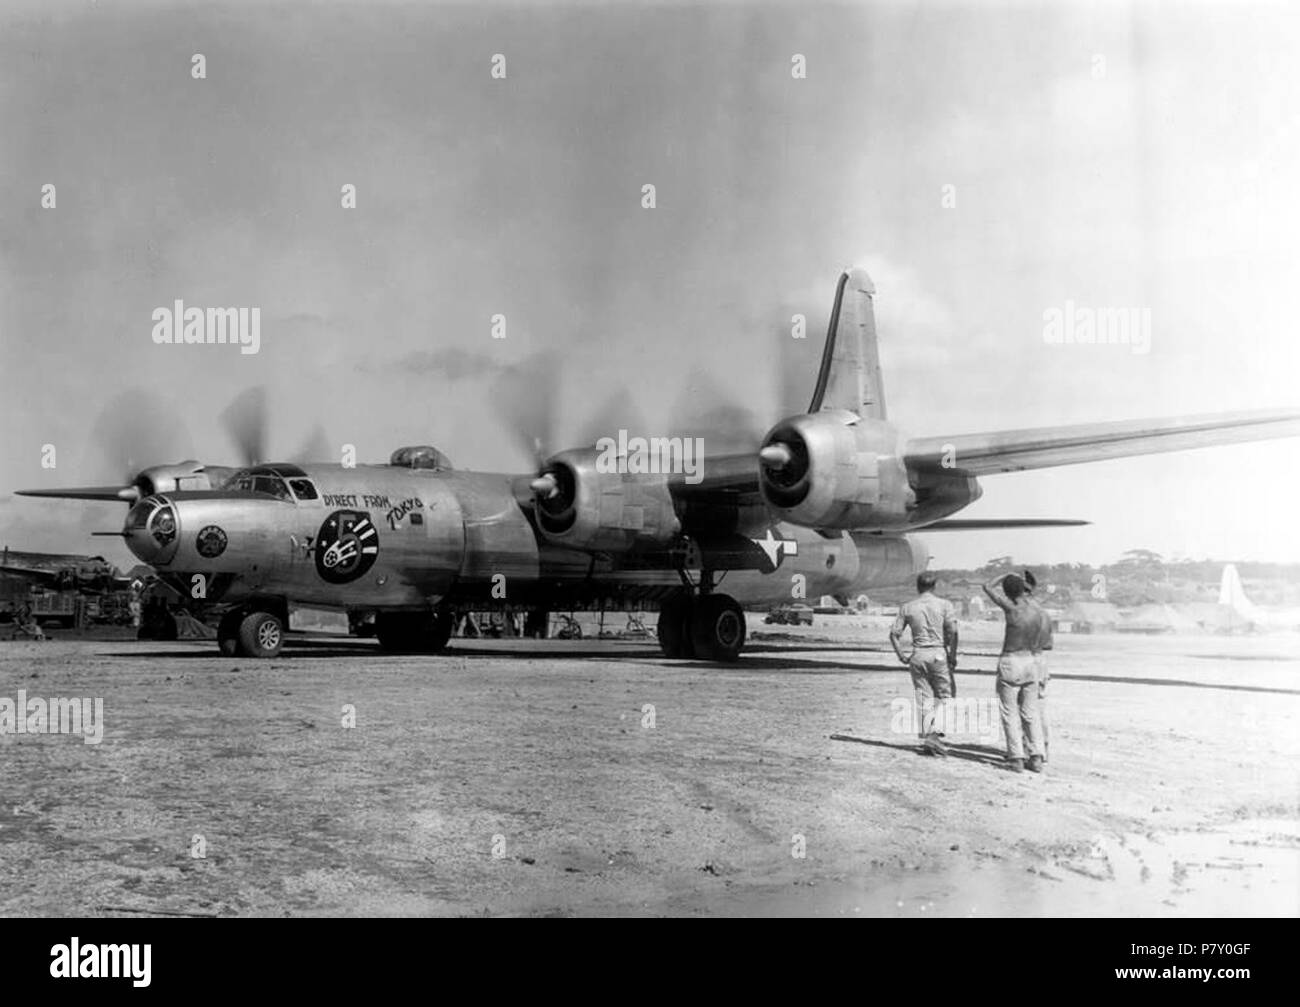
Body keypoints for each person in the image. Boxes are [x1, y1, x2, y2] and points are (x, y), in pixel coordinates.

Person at [890, 572, 958, 756]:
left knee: (924, 697)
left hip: (918, 654)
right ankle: (934, 735)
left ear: (918, 587)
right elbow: (952, 631)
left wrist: (901, 656)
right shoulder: (945, 605)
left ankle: (929, 735)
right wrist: (952, 654)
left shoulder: (908, 607)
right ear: (934, 586)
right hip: (938, 653)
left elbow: (894, 634)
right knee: (945, 695)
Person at [983, 571, 1044, 773]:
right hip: (1031, 661)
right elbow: (1032, 592)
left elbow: (987, 587)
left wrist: (1004, 574)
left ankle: (1016, 757)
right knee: (1030, 713)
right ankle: (1036, 756)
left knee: (1009, 713)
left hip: (1011, 660)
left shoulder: (1010, 608)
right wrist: (1022, 583)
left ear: (1008, 593)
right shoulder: (1036, 608)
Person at [1023, 570, 1054, 762]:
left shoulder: (1019, 611)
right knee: (1041, 707)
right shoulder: (1043, 612)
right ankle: (1045, 749)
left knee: (1024, 708)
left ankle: (1029, 750)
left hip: (1024, 659)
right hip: (1041, 660)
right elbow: (1048, 644)